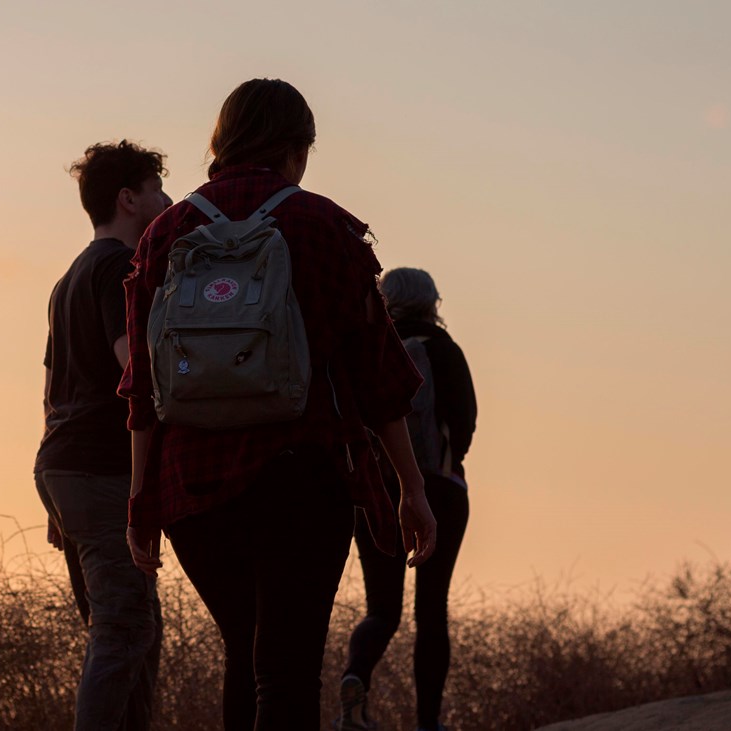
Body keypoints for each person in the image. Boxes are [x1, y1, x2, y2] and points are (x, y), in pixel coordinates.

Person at [120, 78, 437, 730]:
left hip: (192, 487)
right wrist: (410, 486)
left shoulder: (164, 234)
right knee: (285, 669)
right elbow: (380, 377)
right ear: (295, 150)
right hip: (301, 475)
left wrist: (139, 499)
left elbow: (143, 391)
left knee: (247, 649)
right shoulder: (325, 227)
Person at [35, 140, 171, 730]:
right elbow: (135, 369)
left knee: (135, 628)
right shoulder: (120, 267)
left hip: (66, 470)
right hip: (99, 469)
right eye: (157, 190)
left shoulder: (68, 279)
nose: (168, 201)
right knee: (126, 627)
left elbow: (51, 390)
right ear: (129, 199)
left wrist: (57, 507)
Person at [338, 268, 477, 731]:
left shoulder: (365, 347)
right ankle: (427, 723)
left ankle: (354, 679)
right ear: (432, 302)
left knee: (382, 609)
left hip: (376, 492)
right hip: (438, 488)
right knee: (431, 609)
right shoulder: (445, 350)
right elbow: (465, 427)